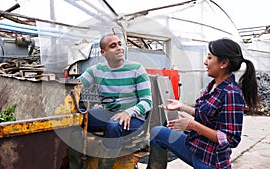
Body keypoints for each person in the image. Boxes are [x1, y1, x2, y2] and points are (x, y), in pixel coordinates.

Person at [146, 38, 259, 169]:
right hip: (195, 147)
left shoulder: (231, 94)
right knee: (157, 132)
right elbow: (205, 114)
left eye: (210, 58)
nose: (205, 62)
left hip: (210, 160)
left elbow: (230, 139)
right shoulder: (213, 85)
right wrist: (182, 106)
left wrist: (193, 125)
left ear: (223, 63)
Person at [68, 33, 152, 169]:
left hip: (134, 118)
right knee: (75, 120)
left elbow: (147, 102)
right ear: (103, 52)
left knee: (113, 126)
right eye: (113, 46)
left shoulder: (137, 69)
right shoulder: (97, 70)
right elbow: (76, 85)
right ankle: (75, 166)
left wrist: (128, 112)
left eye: (119, 44)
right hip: (109, 113)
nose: (119, 48)